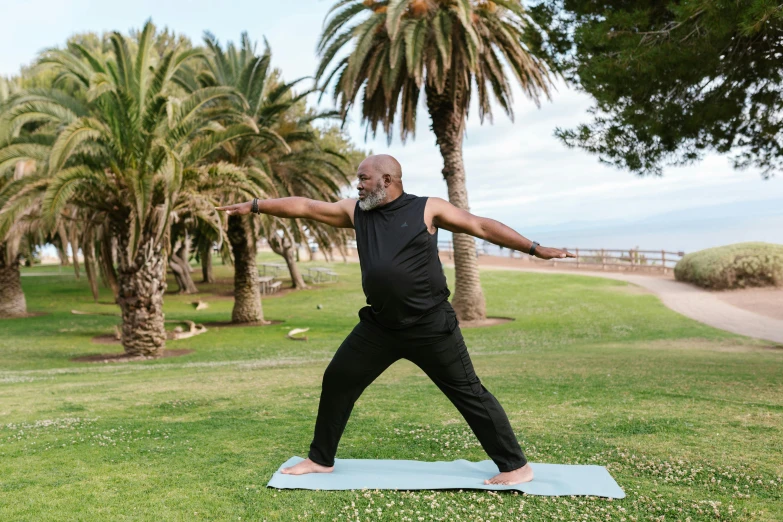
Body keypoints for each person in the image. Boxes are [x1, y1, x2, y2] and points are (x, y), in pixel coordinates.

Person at [216, 154, 575, 485]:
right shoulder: (357, 212)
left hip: (431, 325)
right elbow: (307, 207)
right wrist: (255, 205)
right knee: (338, 378)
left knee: (469, 393)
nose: (357, 185)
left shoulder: (427, 208)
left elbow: (479, 225)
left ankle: (516, 466)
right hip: (380, 326)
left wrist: (534, 248)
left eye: (363, 178)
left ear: (387, 179)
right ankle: (320, 459)